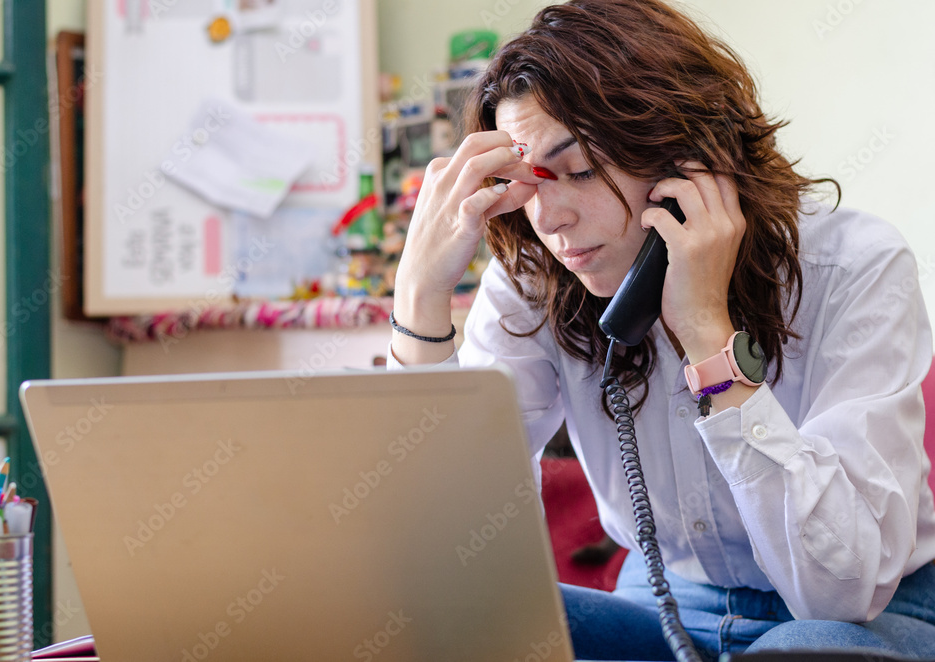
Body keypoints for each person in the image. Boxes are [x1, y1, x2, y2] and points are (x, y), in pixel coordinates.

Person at [387, 0, 935, 659]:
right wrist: (420, 296)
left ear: (688, 156)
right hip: (672, 597)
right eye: (530, 182)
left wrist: (706, 332)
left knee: (809, 649)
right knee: (449, 623)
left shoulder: (855, 265)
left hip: (863, 611)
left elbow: (839, 592)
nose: (552, 218)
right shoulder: (534, 282)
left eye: (581, 170)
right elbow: (450, 555)